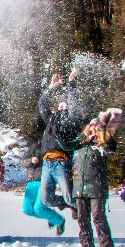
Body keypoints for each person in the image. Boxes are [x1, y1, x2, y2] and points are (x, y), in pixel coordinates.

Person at [71, 116, 119, 247]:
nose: (93, 129)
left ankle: (106, 246)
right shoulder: (82, 144)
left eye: (96, 127)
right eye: (91, 127)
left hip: (97, 187)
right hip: (80, 186)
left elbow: (111, 148)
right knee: (82, 218)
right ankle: (86, 245)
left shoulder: (102, 145)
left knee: (98, 217)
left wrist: (103, 135)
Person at [38, 72, 81, 213]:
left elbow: (73, 102)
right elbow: (42, 104)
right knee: (46, 199)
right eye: (60, 107)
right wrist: (51, 87)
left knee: (70, 197)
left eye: (65, 107)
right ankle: (67, 204)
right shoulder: (51, 118)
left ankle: (84, 210)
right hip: (46, 163)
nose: (63, 109)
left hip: (61, 162)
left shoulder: (71, 120)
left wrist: (71, 83)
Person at [21, 151, 65, 235]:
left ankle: (59, 220)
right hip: (30, 182)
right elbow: (22, 162)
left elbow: (53, 160)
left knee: (39, 208)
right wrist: (31, 160)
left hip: (44, 180)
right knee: (27, 210)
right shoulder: (33, 146)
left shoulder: (47, 146)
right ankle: (51, 216)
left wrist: (41, 160)